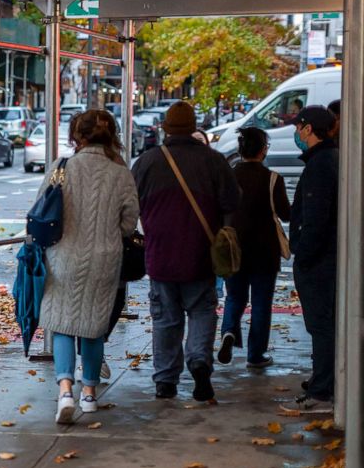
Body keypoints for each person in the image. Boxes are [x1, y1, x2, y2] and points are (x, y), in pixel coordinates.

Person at [132, 102, 241, 401]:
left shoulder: (146, 162)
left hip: (160, 255)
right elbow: (232, 203)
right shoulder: (215, 161)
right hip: (201, 254)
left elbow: (131, 207)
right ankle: (199, 362)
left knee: (165, 317)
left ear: (165, 128)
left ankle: (165, 380)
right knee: (203, 310)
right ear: (193, 127)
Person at [37, 110, 139, 424]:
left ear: (76, 136)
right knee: (94, 328)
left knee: (64, 324)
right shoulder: (121, 173)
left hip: (63, 257)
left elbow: (42, 206)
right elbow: (129, 220)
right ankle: (90, 395)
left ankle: (65, 390)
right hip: (105, 259)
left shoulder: (62, 167)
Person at [281, 106, 339, 414]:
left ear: (307, 129)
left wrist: (303, 254)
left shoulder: (320, 165)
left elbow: (315, 218)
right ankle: (323, 383)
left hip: (319, 261)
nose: (296, 133)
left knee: (321, 325)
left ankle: (322, 391)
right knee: (324, 324)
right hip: (324, 258)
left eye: (298, 127)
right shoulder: (330, 160)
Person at [218, 127, 291, 368]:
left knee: (234, 297)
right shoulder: (273, 179)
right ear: (263, 151)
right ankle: (255, 354)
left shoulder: (228, 176)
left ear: (240, 150)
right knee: (261, 303)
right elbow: (285, 214)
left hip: (233, 248)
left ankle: (228, 331)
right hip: (265, 252)